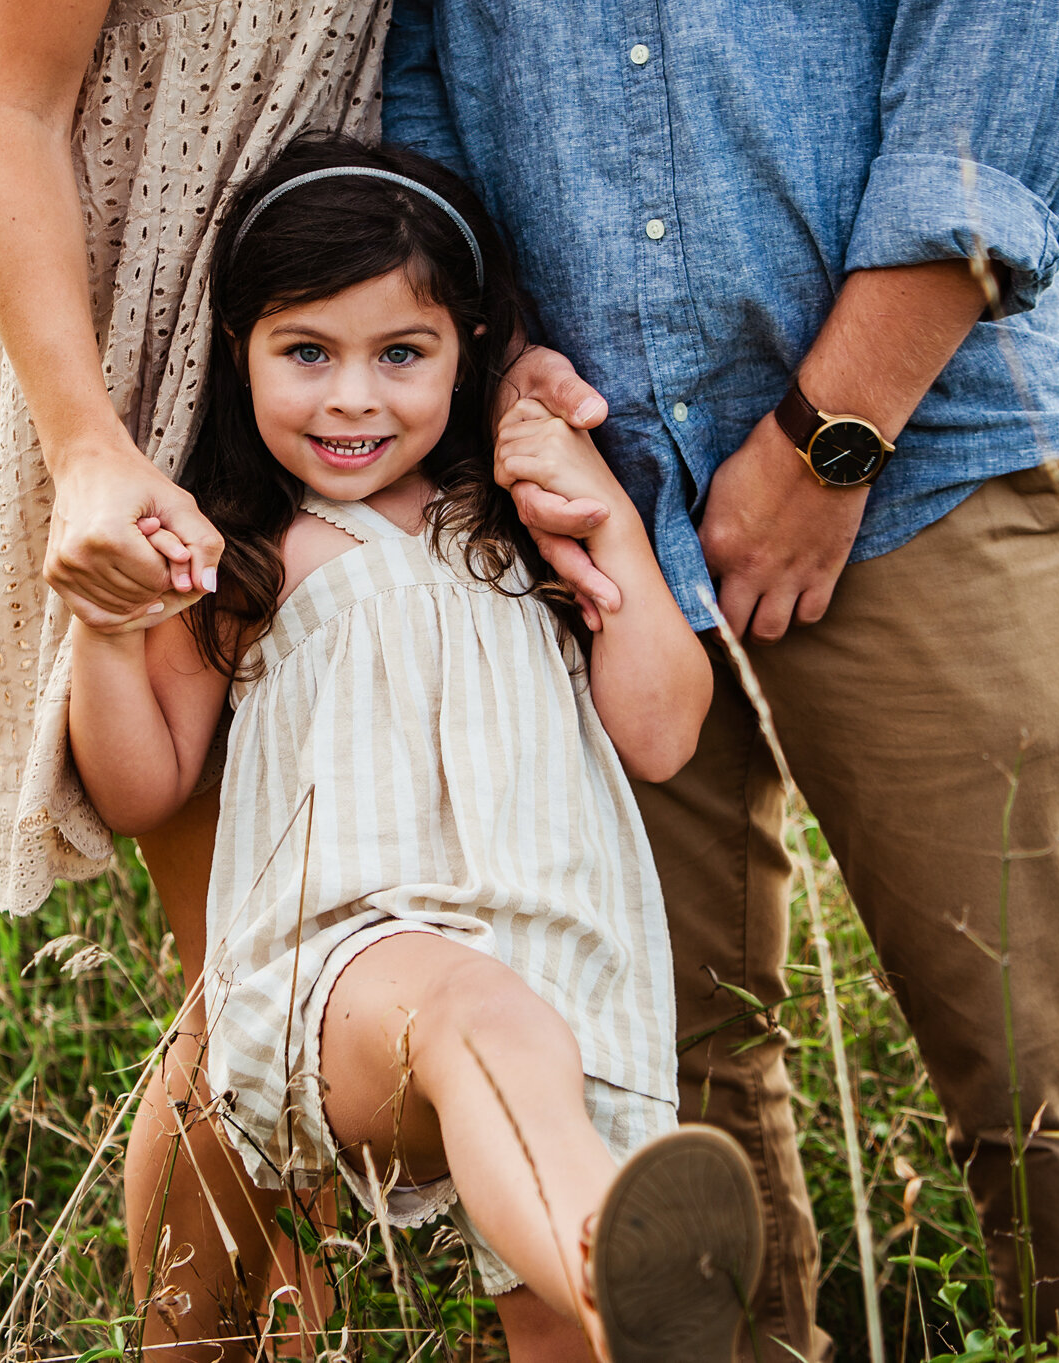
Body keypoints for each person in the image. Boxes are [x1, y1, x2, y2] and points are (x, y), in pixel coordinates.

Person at [382, 3, 1059, 1360]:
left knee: (1041, 1078)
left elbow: (998, 66)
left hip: (932, 459)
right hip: (600, 508)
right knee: (667, 1081)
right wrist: (489, 340)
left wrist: (830, 440)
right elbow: (413, 68)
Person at [64, 131, 764, 1362]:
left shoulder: (519, 522)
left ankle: (612, 1296)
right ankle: (619, 1260)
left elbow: (660, 729)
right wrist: (109, 626)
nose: (352, 397)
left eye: (402, 353)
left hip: (570, 976)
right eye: (305, 353)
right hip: (353, 975)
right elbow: (141, 786)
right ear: (240, 354)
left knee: (554, 1314)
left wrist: (604, 520)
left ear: (470, 353)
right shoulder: (244, 553)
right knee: (475, 1015)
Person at [0, 3, 593, 1352]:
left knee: (345, 932)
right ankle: (226, 1334)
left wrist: (495, 340)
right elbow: (9, 108)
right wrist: (85, 445)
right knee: (238, 963)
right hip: (130, 367)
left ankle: (350, 1308)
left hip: (345, 306)